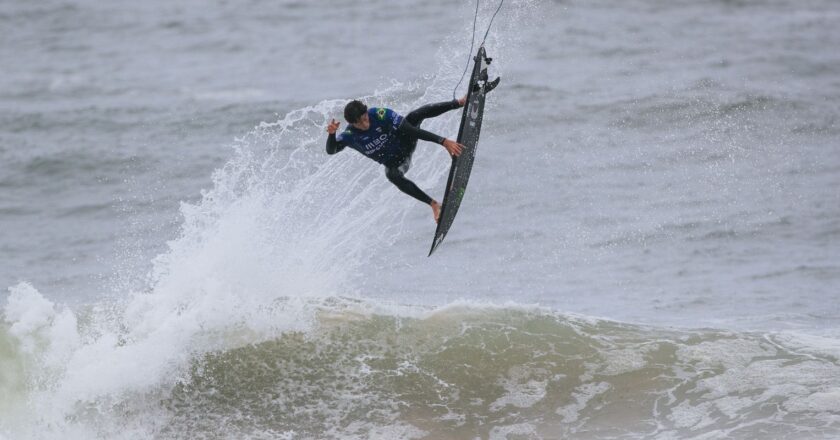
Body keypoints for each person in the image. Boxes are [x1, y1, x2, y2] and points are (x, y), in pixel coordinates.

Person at [325, 96, 468, 223]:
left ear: (366, 113)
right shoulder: (350, 135)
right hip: (397, 162)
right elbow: (332, 150)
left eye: (365, 118)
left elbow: (410, 130)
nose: (364, 124)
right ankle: (434, 205)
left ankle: (459, 102)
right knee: (391, 175)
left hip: (406, 141)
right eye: (359, 123)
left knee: (414, 115)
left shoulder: (379, 115)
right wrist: (331, 134)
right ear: (352, 124)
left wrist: (443, 142)